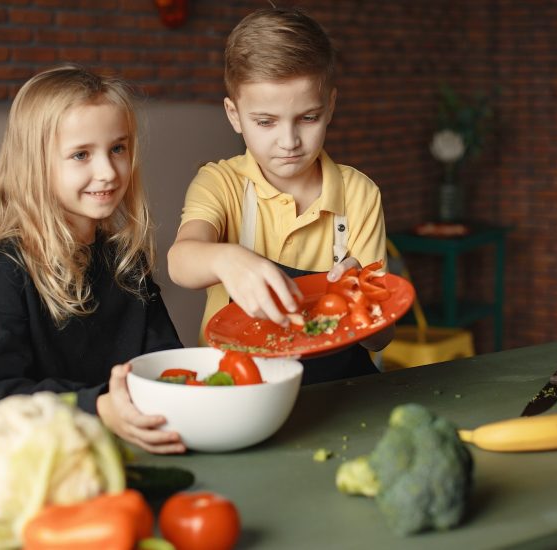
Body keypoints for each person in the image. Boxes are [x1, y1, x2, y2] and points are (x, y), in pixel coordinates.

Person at [0, 65, 185, 454]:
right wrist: (97, 406)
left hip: (127, 449)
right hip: (43, 460)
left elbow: (167, 364)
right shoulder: (10, 265)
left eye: (118, 148)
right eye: (81, 154)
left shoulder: (125, 259)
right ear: (35, 165)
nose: (108, 172)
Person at [167, 7, 393, 384]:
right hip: (241, 386)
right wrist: (228, 258)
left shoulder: (360, 194)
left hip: (337, 389)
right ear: (234, 114)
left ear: (330, 106)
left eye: (308, 118)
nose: (289, 142)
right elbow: (180, 261)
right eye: (266, 122)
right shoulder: (221, 183)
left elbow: (382, 340)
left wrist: (362, 302)